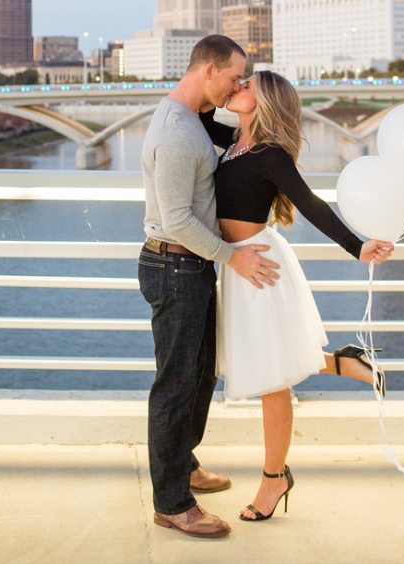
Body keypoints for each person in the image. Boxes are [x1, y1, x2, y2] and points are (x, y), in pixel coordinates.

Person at [199, 70, 394, 523]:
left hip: (260, 267)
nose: (238, 87)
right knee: (263, 359)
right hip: (237, 264)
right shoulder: (233, 141)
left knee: (270, 378)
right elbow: (199, 109)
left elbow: (310, 202)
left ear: (265, 101)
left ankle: (274, 480)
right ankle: (345, 362)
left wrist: (357, 245)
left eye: (246, 85)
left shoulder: (270, 154)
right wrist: (213, 79)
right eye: (238, 80)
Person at [139, 36, 282, 540]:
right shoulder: (179, 134)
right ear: (207, 70)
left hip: (191, 268)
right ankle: (173, 502)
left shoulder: (194, 120)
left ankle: (182, 463)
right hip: (176, 265)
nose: (240, 85)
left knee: (201, 377)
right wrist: (233, 256)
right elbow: (176, 218)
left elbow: (244, 135)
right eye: (235, 77)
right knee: (177, 385)